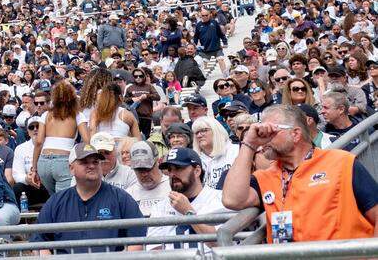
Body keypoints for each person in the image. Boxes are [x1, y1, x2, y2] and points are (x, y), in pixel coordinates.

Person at [223, 104, 378, 242]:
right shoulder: (265, 176)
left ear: (295, 134)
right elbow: (232, 199)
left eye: (270, 132)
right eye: (262, 132)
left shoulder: (342, 162)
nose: (264, 138)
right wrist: (249, 143)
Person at [31, 143, 145, 254]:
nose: (91, 166)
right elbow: (38, 241)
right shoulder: (56, 201)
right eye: (84, 162)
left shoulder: (120, 198)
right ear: (71, 168)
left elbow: (138, 239)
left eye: (96, 162)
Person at [146, 148, 231, 249]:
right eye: (169, 169)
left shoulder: (220, 199)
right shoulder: (160, 207)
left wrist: (188, 212)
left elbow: (220, 243)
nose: (172, 174)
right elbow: (154, 251)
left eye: (178, 168)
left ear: (197, 171)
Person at [32, 80, 79, 195]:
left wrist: (34, 168)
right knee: (64, 201)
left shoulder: (46, 115)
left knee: (55, 200)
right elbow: (87, 140)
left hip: (43, 162)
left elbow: (38, 142)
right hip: (63, 160)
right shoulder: (77, 115)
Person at [123, 142, 169, 217]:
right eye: (139, 169)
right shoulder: (128, 195)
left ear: (157, 162)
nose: (144, 174)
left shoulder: (173, 188)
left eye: (148, 168)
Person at [192, 116, 239, 189]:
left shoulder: (235, 150)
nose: (199, 135)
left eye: (203, 130)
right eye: (196, 132)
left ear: (216, 130)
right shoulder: (196, 160)